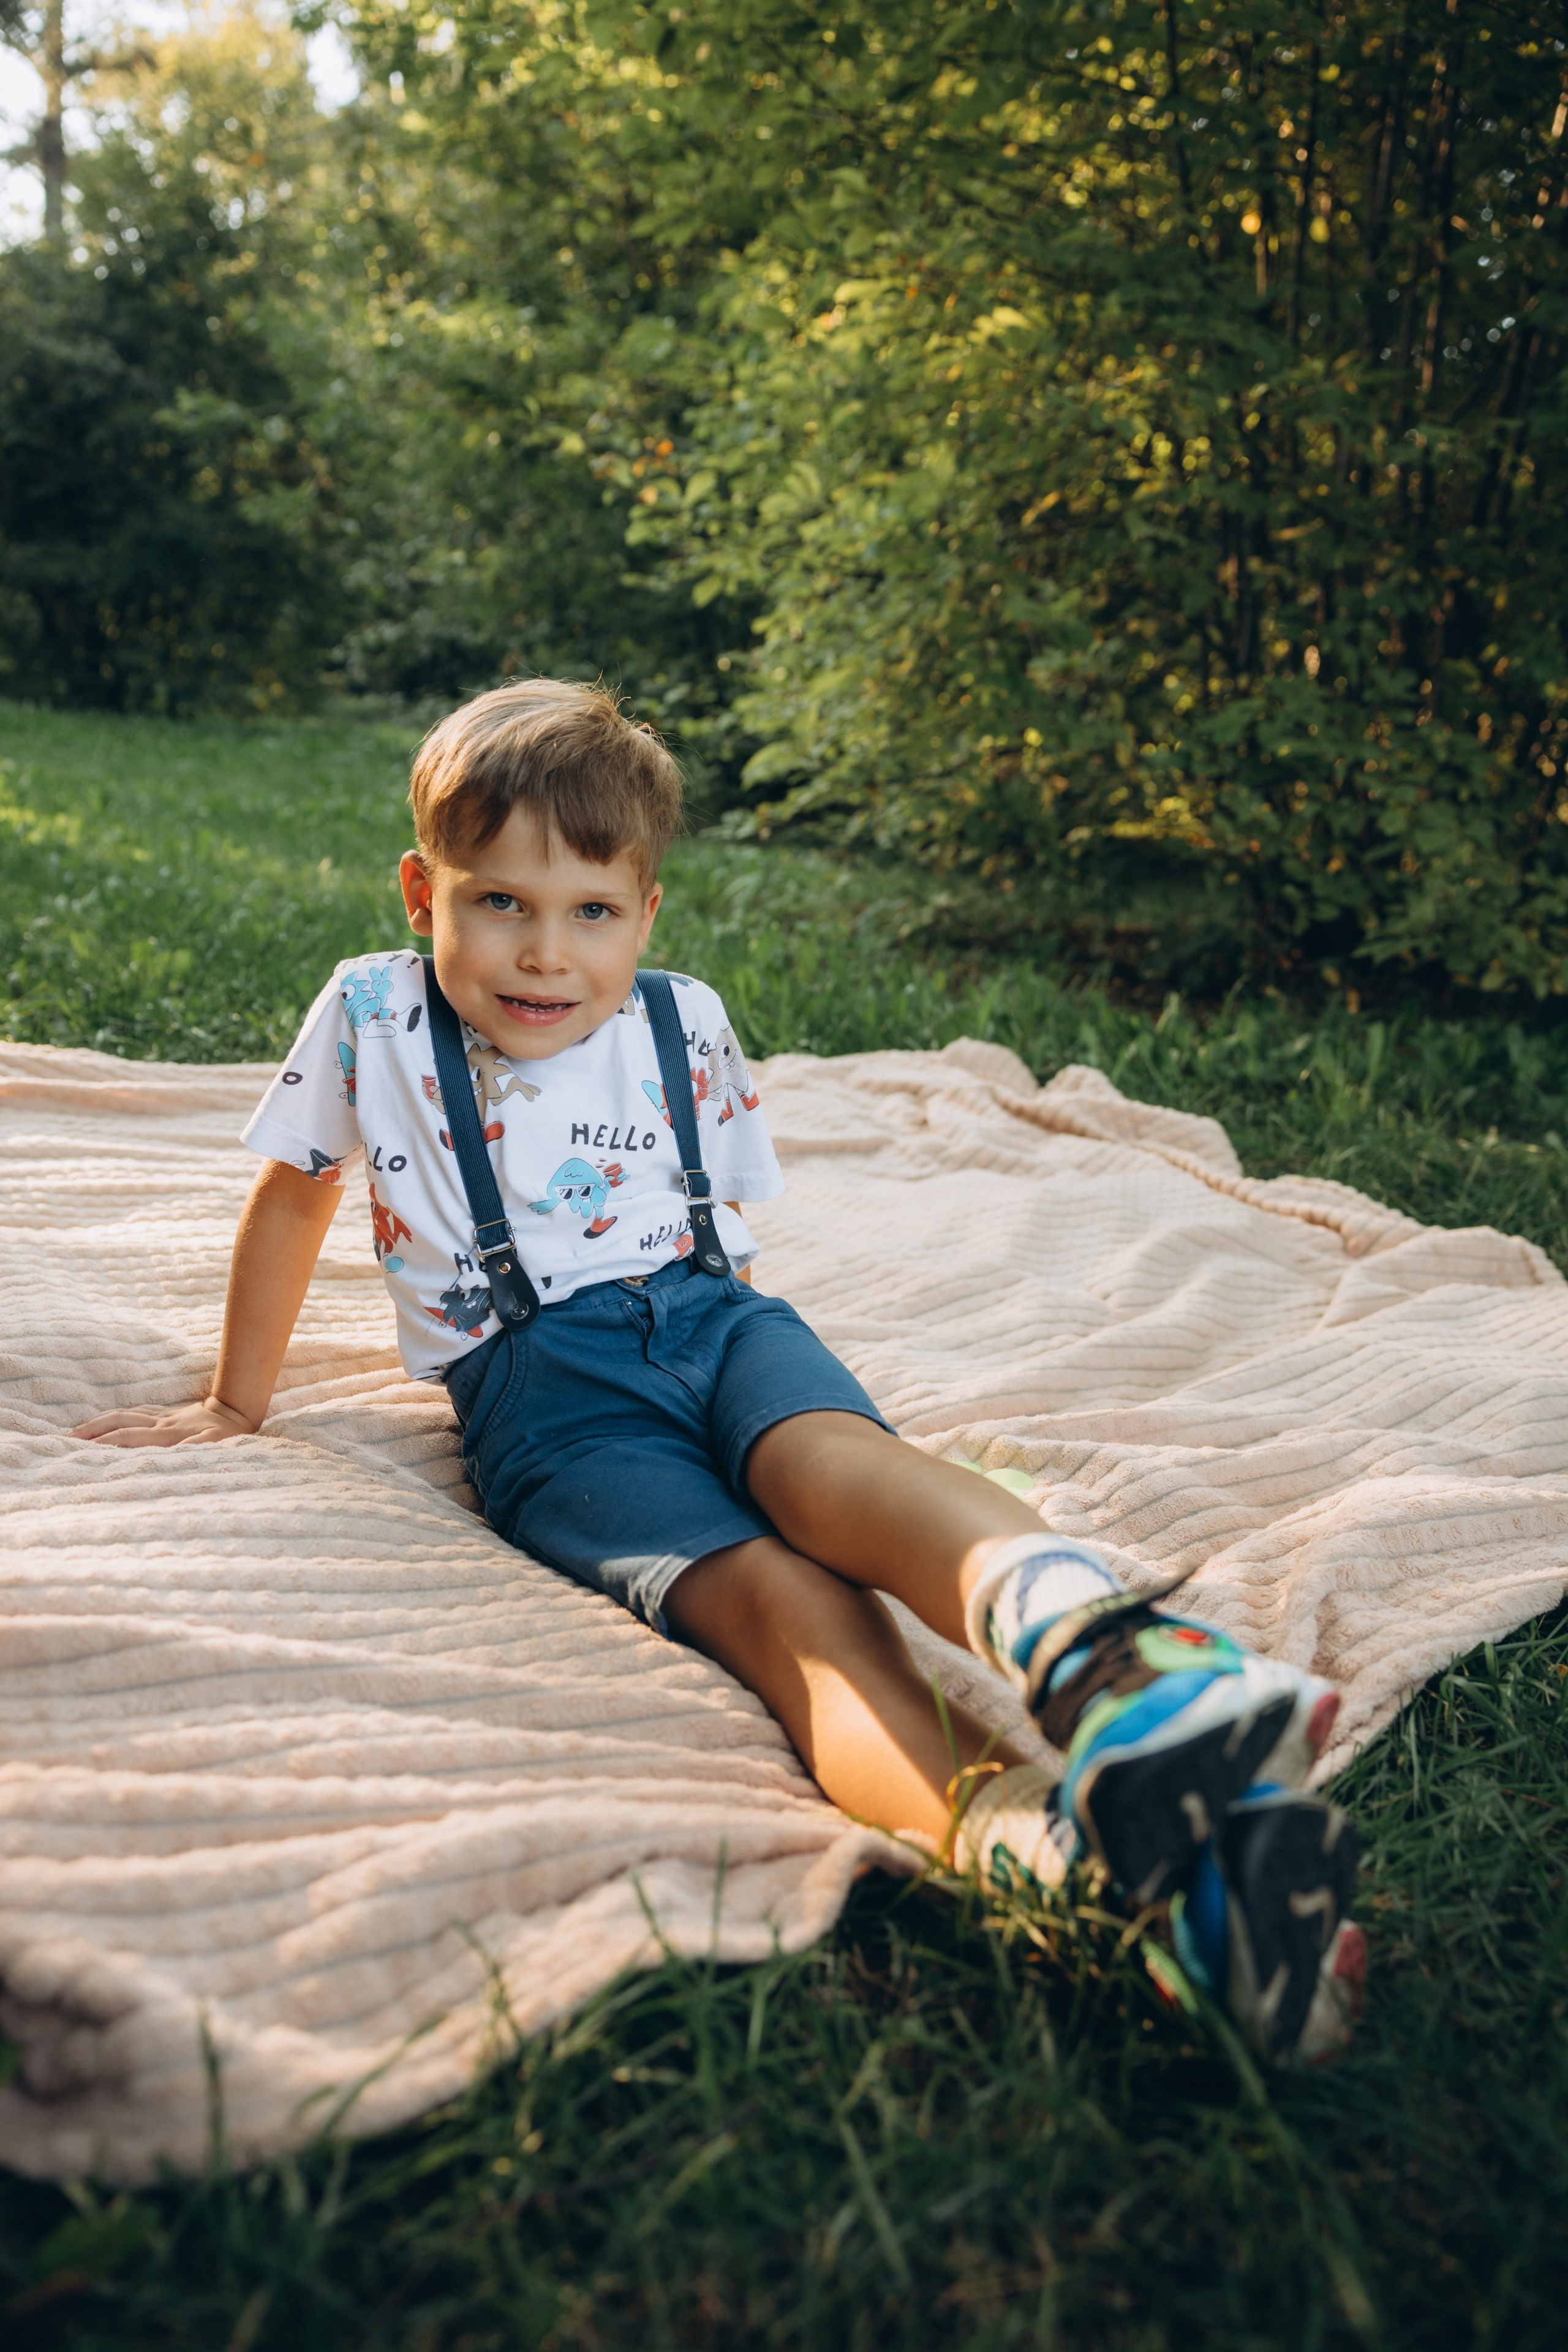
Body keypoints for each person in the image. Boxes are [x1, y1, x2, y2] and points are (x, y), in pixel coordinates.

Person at [74, 680, 1365, 2067]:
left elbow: (717, 1239)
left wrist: (741, 1387)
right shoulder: (370, 1018)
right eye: (498, 902)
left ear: (645, 913)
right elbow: (291, 1200)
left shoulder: (686, 1023)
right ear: (418, 891)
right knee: (785, 1612)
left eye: (589, 913)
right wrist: (232, 1402)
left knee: (843, 1475)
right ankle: (1072, 1875)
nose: (542, 953)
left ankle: (1116, 1671)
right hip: (541, 1396)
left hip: (718, 1322)